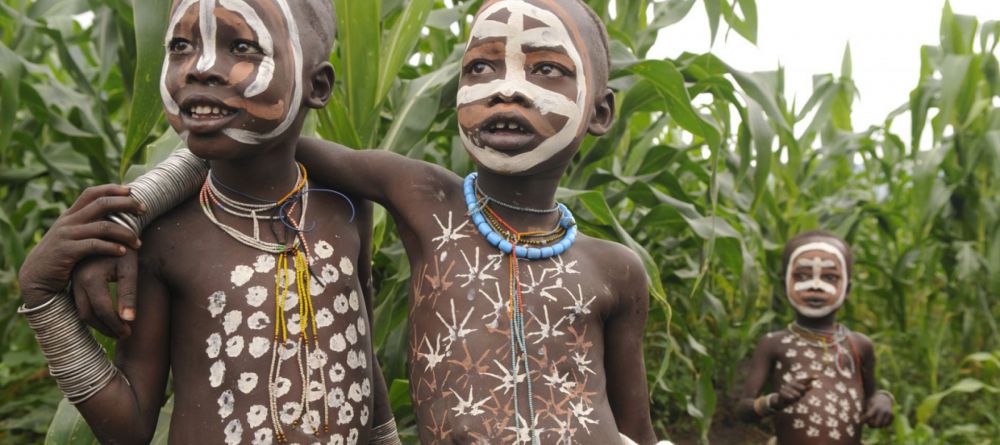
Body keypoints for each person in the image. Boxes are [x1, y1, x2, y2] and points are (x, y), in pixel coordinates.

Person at [71, 0, 665, 443]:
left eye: (547, 70)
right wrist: (133, 209)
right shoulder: (427, 200)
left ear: (602, 110)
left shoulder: (615, 269)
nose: (506, 90)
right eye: (481, 68)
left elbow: (634, 425)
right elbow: (249, 129)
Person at [16, 1, 398, 443]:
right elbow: (129, 426)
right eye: (181, 45)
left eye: (241, 46)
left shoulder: (346, 205)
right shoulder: (165, 239)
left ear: (318, 85)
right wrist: (43, 298)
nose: (201, 68)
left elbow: (361, 353)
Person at [736, 230, 894, 444]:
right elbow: (743, 410)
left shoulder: (859, 345)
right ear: (785, 285)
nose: (815, 286)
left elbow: (871, 396)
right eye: (801, 276)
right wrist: (775, 400)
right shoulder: (774, 344)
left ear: (847, 289)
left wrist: (883, 400)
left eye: (830, 277)